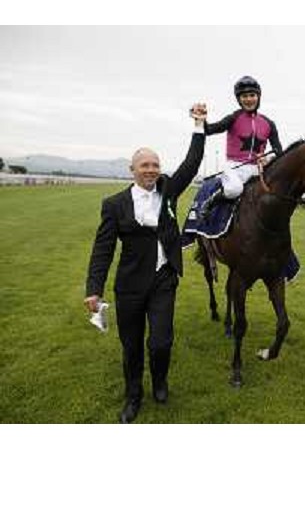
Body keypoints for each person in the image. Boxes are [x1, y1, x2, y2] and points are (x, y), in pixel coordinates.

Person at [84, 106, 206, 423]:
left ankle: (161, 381)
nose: (151, 170)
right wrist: (93, 289)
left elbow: (191, 165)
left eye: (155, 165)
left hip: (164, 280)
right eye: (144, 165)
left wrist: (198, 124)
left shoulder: (168, 192)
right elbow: (102, 249)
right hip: (130, 286)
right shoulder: (114, 205)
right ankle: (133, 396)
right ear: (132, 169)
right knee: (132, 346)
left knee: (161, 341)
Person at [196, 75, 283, 219]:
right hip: (233, 167)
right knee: (234, 189)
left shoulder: (269, 123)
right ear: (239, 99)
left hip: (257, 170)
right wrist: (201, 120)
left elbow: (279, 151)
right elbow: (210, 129)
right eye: (244, 96)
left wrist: (268, 158)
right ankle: (211, 202)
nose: (248, 99)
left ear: (258, 96)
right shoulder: (234, 118)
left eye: (252, 95)